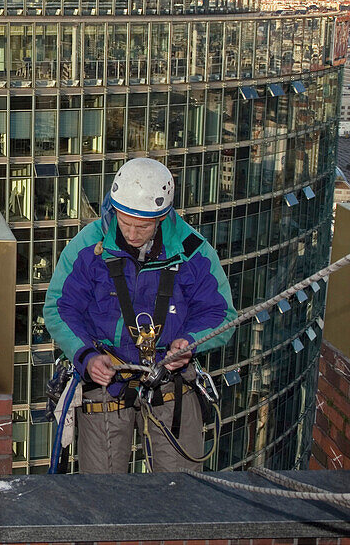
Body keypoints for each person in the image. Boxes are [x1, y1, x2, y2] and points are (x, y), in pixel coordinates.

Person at [44, 157, 236, 473]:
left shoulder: (191, 251)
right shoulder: (89, 246)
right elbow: (60, 308)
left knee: (180, 491)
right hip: (108, 380)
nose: (132, 234)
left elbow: (220, 313)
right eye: (125, 222)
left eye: (143, 226)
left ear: (162, 218)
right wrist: (88, 357)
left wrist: (188, 343)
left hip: (170, 384)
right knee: (102, 493)